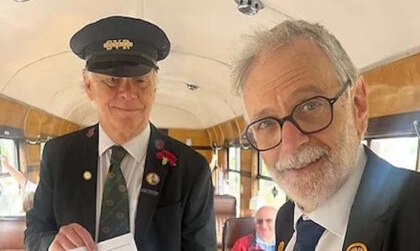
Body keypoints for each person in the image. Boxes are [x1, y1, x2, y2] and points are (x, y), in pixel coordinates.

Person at [25, 16, 216, 251]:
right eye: (112, 80)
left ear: (154, 87)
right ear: (88, 86)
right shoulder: (59, 155)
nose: (127, 93)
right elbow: (35, 229)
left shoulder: (191, 169)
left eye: (140, 81)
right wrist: (50, 243)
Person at [232, 20, 420, 251]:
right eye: (266, 123)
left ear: (357, 105)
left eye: (310, 106)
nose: (290, 145)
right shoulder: (285, 218)